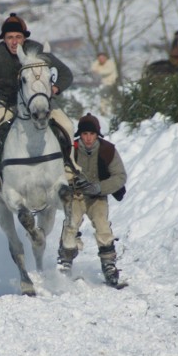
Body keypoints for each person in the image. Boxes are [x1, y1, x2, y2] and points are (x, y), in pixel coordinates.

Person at [0, 12, 79, 200]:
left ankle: (70, 169)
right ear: (4, 38)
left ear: (24, 37)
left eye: (18, 37)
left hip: (40, 105)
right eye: (10, 37)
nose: (14, 42)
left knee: (68, 126)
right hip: (7, 104)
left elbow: (66, 74)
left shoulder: (37, 50)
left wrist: (55, 88)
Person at [57, 113, 127, 286]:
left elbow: (120, 176)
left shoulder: (107, 150)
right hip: (76, 195)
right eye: (85, 134)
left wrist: (99, 187)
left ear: (97, 135)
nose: (88, 138)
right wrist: (71, 180)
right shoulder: (69, 150)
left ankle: (109, 264)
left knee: (102, 226)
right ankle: (65, 260)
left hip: (98, 196)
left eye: (92, 134)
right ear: (80, 134)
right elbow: (57, 171)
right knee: (71, 224)